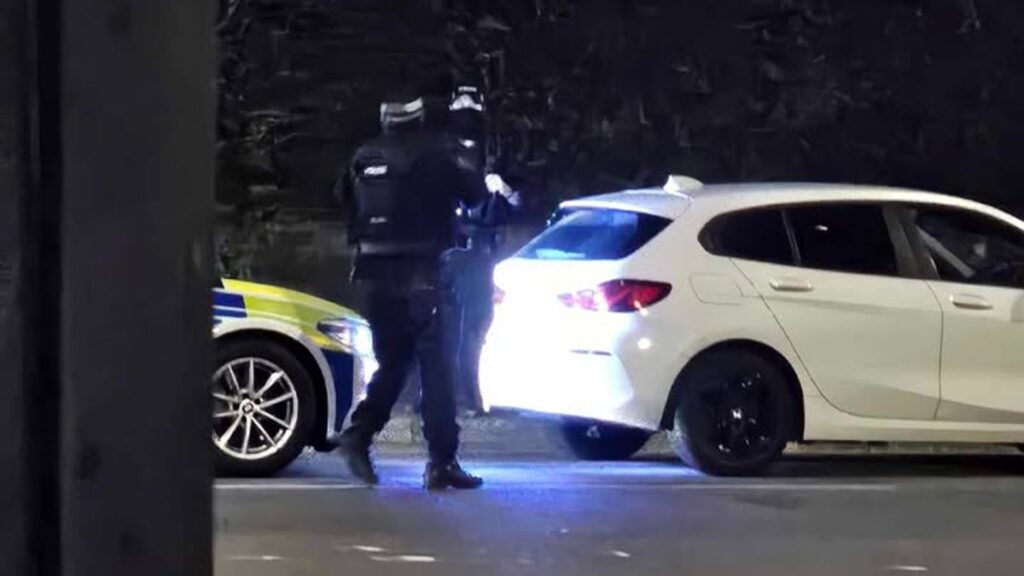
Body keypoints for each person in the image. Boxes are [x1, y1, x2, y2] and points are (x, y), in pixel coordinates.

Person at [335, 92, 487, 490]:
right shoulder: (435, 155)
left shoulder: (363, 157)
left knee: (394, 362)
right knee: (437, 369)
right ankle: (441, 462)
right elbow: (476, 195)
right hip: (422, 275)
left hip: (370, 275)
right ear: (419, 119)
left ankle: (359, 434)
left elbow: (344, 204)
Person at [445, 86, 520, 412]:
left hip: (485, 255)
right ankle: (440, 396)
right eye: (459, 103)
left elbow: (521, 203)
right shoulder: (442, 155)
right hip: (450, 253)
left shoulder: (496, 154)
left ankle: (476, 395)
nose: (466, 109)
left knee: (479, 327)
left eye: (471, 103)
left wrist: (503, 188)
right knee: (444, 329)